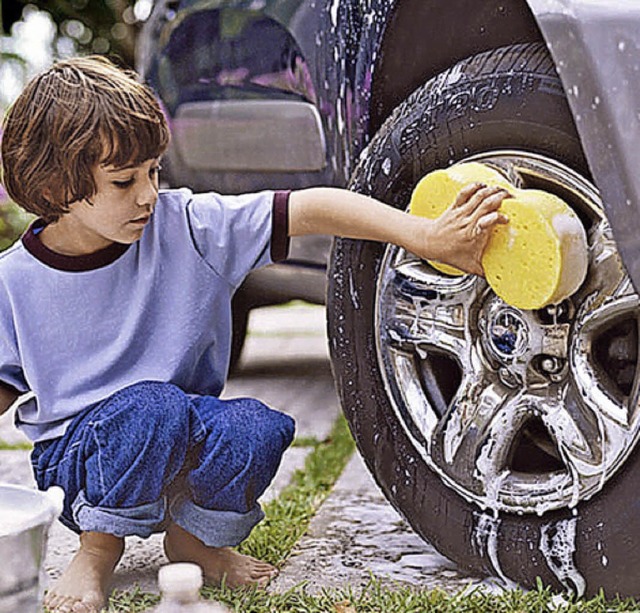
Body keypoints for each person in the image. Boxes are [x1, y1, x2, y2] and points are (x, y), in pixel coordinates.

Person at [0, 56, 509, 613]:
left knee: (254, 427)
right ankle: (96, 554)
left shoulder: (187, 227)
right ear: (56, 185)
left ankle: (193, 542)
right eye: (124, 181)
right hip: (80, 462)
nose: (148, 194)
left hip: (179, 426)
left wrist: (425, 237)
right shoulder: (15, 282)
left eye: (154, 172)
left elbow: (310, 208)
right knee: (152, 408)